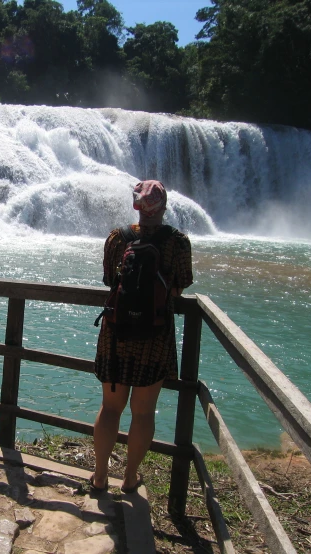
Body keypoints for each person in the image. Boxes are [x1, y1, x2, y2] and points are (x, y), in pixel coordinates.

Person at [90, 180, 193, 493]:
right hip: (155, 334)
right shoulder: (177, 241)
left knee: (110, 408)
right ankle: (130, 477)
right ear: (163, 207)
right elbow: (180, 285)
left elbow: (110, 280)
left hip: (117, 332)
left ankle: (99, 476)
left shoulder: (117, 237)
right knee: (144, 411)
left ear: (136, 205)